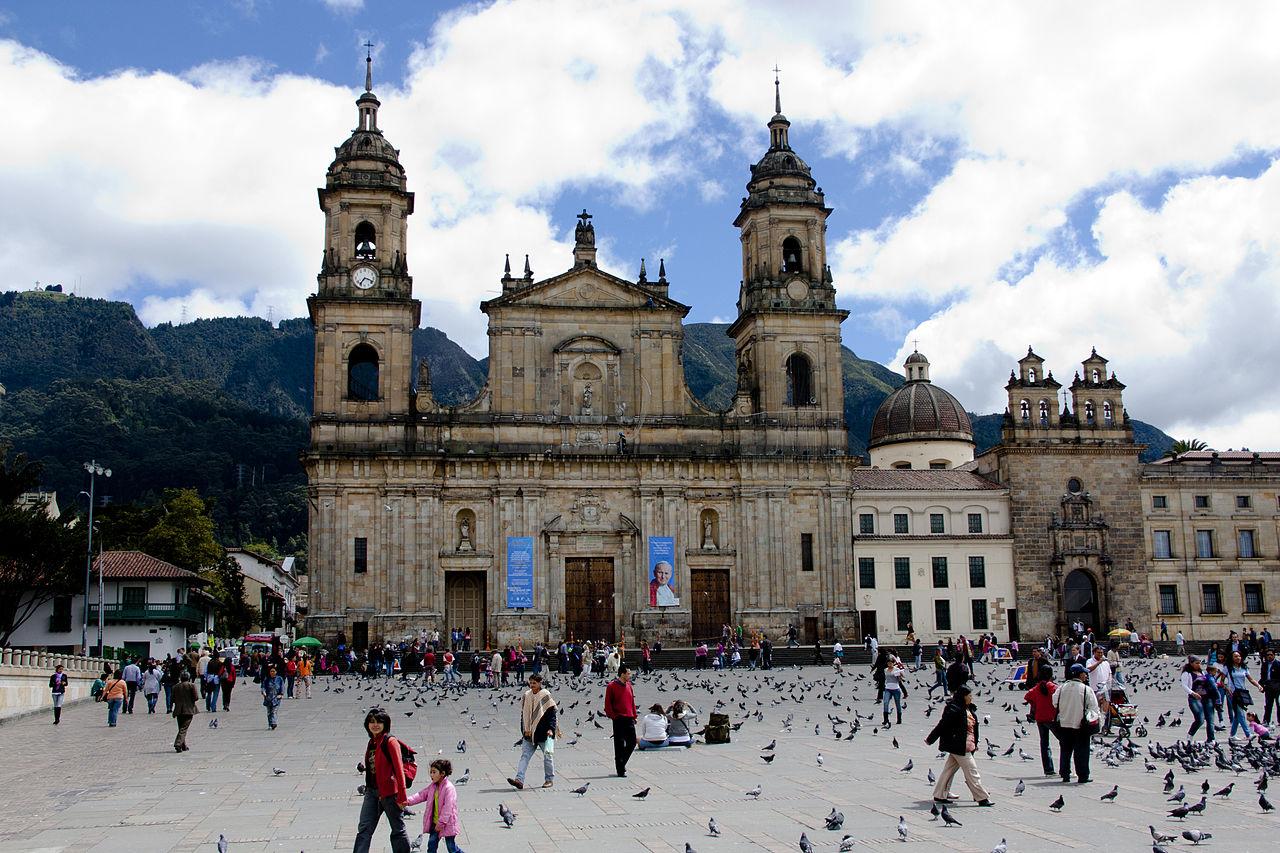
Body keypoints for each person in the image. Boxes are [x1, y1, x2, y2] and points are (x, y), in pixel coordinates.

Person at [354, 709, 411, 853]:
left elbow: (399, 770)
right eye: (372, 722)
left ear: (385, 724)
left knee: (397, 829)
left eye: (379, 722)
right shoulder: (372, 742)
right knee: (364, 829)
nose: (375, 725)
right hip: (371, 792)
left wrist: (402, 796)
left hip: (390, 794)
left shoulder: (390, 742)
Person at [925, 685, 993, 806]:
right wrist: (931, 739)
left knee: (949, 770)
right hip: (959, 745)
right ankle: (982, 798)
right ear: (963, 696)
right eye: (969, 695)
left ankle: (940, 794)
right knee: (972, 771)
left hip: (966, 745)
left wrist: (975, 743)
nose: (971, 698)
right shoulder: (954, 709)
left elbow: (972, 728)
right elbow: (943, 724)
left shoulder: (968, 708)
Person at [401, 759, 465, 853]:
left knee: (451, 848)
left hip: (447, 824)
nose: (431, 775)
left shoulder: (449, 788)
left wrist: (441, 823)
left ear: (442, 773)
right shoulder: (433, 786)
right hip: (435, 824)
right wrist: (407, 801)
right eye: (430, 772)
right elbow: (421, 795)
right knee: (431, 846)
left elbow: (447, 808)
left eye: (434, 772)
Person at [1052, 663, 1099, 783]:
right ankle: (1082, 775)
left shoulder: (1061, 688)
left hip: (1064, 724)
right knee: (1082, 751)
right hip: (1080, 726)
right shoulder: (1085, 689)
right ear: (1080, 674)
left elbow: (1054, 703)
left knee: (1065, 751)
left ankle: (1065, 774)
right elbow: (1093, 708)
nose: (1086, 675)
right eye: (1084, 673)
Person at [508, 673, 556, 790]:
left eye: (534, 683)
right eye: (531, 683)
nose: (532, 685)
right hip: (529, 734)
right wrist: (524, 730)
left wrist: (551, 729)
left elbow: (552, 714)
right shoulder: (526, 695)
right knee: (525, 756)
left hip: (545, 734)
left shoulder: (545, 695)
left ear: (540, 683)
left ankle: (549, 780)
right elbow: (523, 714)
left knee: (548, 757)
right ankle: (519, 780)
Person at [1022, 665, 1057, 776]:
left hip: (1040, 718)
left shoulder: (1036, 688)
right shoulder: (1053, 687)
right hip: (1052, 718)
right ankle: (1065, 769)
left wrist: (1034, 703)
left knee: (1044, 743)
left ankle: (1048, 769)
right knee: (1064, 742)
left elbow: (1027, 696)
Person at [604, 663, 637, 777]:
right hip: (618, 718)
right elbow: (608, 704)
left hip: (629, 718)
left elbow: (632, 702)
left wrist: (634, 715)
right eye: (628, 674)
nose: (630, 676)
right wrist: (613, 716)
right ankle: (620, 769)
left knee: (632, 743)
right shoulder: (611, 686)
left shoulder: (629, 685)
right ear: (622, 674)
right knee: (619, 744)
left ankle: (621, 762)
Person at [1225, 650, 1262, 740]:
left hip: (1241, 693)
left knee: (1237, 715)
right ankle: (1248, 734)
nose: (1238, 658)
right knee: (1240, 713)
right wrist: (1227, 687)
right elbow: (1221, 681)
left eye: (1239, 656)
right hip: (1232, 693)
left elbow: (1251, 679)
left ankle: (1232, 735)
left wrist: (1258, 686)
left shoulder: (1244, 667)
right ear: (1232, 658)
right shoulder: (1228, 668)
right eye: (1235, 656)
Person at [1085, 647, 1113, 734]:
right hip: (1095, 689)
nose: (1100, 654)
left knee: (1105, 709)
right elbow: (1088, 669)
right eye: (1098, 653)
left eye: (1101, 653)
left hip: (1106, 688)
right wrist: (1098, 662)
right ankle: (1096, 727)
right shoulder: (1089, 661)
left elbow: (1110, 673)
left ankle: (1106, 727)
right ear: (1094, 653)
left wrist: (1110, 681)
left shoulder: (1106, 663)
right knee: (1095, 709)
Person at [172, 671, 199, 752]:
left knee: (181, 728)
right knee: (183, 728)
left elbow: (172, 699)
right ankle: (178, 744)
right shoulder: (191, 685)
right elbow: (196, 697)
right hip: (188, 709)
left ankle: (183, 746)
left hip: (178, 709)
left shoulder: (175, 687)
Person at [882, 654, 906, 725]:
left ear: (893, 663)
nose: (889, 664)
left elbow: (901, 678)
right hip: (888, 688)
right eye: (888, 663)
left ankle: (899, 719)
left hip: (895, 688)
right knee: (885, 702)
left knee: (897, 704)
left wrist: (900, 675)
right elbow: (886, 678)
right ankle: (885, 719)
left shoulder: (897, 669)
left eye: (891, 663)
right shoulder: (885, 670)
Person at [1260, 648, 1280, 726]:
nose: (1269, 656)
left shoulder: (1278, 664)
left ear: (1274, 655)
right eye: (1268, 655)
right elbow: (1262, 676)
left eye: (1271, 655)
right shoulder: (1265, 664)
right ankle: (1266, 720)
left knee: (1279, 704)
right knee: (1268, 705)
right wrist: (1261, 685)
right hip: (1268, 687)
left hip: (1277, 688)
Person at [261, 664, 284, 730]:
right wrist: (264, 692)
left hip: (276, 698)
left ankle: (274, 723)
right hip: (268, 698)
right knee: (269, 712)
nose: (272, 672)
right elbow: (263, 687)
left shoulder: (279, 679)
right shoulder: (267, 679)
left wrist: (281, 694)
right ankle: (270, 724)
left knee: (274, 711)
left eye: (274, 671)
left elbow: (282, 687)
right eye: (271, 671)